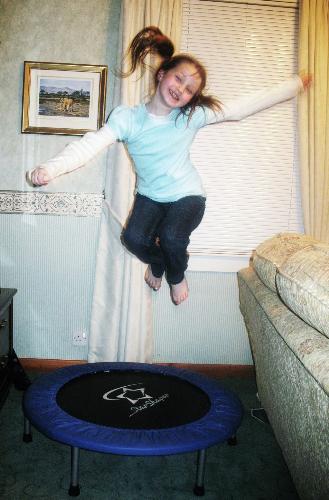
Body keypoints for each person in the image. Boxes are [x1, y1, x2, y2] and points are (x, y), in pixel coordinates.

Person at [27, 26, 312, 305]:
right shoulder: (128, 118)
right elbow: (91, 144)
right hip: (150, 196)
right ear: (162, 74)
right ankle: (159, 263)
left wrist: (295, 84)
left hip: (187, 196)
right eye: (179, 79)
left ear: (192, 98)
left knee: (172, 236)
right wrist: (51, 169)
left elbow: (241, 107)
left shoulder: (189, 117)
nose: (181, 89)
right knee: (133, 239)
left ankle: (176, 275)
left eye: (190, 90)